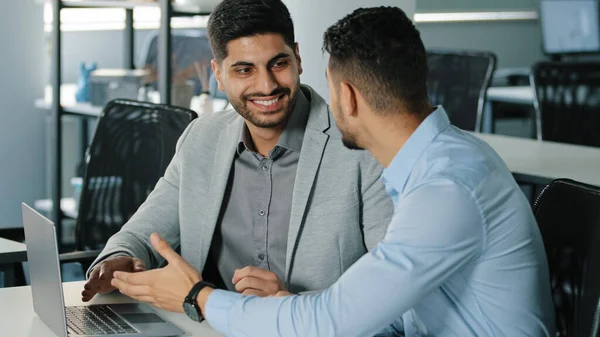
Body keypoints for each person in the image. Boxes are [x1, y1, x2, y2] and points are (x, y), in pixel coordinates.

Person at [110, 6, 557, 337]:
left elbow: (336, 321)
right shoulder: (435, 165)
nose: (267, 85)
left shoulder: (445, 187)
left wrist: (197, 297)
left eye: (280, 64)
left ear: (346, 97)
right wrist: (289, 304)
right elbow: (393, 311)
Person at [81, 0, 393, 302]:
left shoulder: (362, 148)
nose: (267, 85)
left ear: (297, 58)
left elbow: (390, 286)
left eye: (278, 64)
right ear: (218, 74)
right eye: (244, 70)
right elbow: (141, 235)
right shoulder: (201, 138)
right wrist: (117, 260)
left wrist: (288, 302)